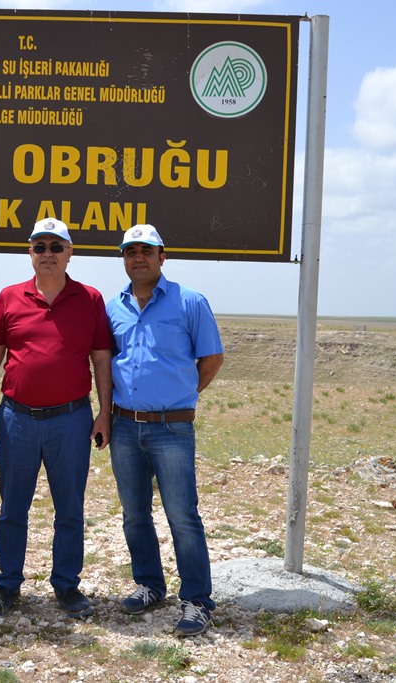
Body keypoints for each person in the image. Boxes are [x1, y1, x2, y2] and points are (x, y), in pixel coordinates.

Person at [0, 217, 113, 619]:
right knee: (12, 507)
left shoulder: (90, 299)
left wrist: (104, 412)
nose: (48, 254)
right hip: (16, 419)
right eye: (40, 247)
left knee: (70, 509)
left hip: (71, 421)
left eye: (56, 246)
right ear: (30, 253)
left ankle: (67, 587)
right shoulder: (9, 297)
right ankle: (6, 586)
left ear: (70, 253)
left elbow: (101, 358)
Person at [106, 224, 224, 637]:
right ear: (123, 258)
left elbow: (211, 359)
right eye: (130, 251)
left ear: (162, 255)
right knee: (135, 514)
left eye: (147, 250)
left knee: (181, 515)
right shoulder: (112, 307)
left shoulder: (189, 302)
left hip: (172, 428)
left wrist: (183, 394)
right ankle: (149, 584)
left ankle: (197, 600)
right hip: (124, 427)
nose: (138, 257)